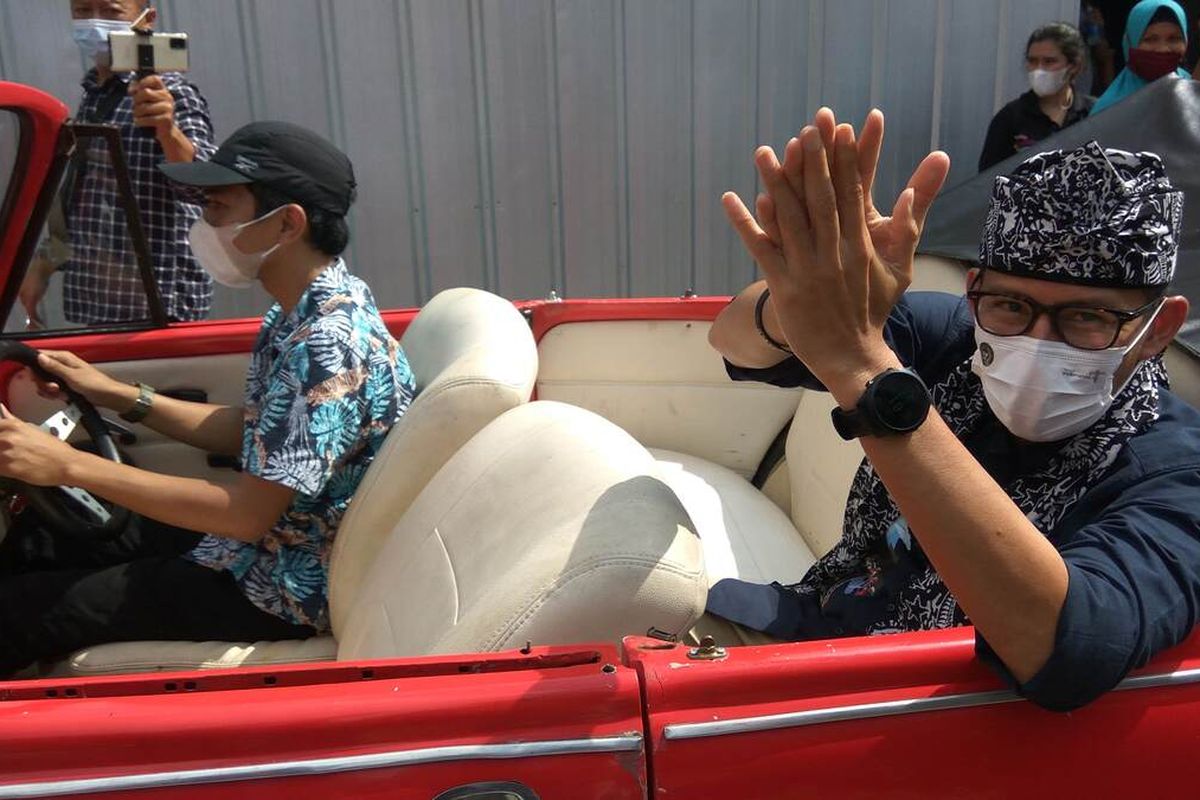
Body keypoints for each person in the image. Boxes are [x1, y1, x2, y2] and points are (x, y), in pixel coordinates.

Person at [706, 106, 1197, 712]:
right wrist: (803, 308)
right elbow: (736, 345)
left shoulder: (1176, 474)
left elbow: (1071, 649)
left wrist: (869, 376)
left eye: (1087, 318)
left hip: (908, 713)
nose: (1036, 341)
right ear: (975, 293)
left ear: (1157, 329)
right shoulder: (957, 341)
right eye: (1012, 307)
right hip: (809, 625)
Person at [0, 121, 415, 675]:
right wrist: (120, 394)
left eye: (219, 207)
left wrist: (68, 465)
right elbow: (253, 430)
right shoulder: (308, 309)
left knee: (18, 613)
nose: (205, 225)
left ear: (287, 223)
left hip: (282, 583)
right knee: (45, 540)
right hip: (264, 546)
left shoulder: (327, 346)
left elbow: (246, 514)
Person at [20, 0, 217, 328]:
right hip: (99, 299)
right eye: (83, 11)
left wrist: (168, 131)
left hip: (157, 305)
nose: (94, 24)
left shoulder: (169, 95)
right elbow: (83, 194)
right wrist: (44, 263)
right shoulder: (95, 95)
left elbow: (204, 187)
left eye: (111, 12)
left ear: (147, 20)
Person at [978, 23, 1093, 171]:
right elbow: (987, 179)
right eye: (1033, 61)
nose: (1039, 69)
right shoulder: (1010, 118)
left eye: (1049, 61)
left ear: (1074, 66)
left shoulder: (1093, 112)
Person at [1091, 0, 1190, 114]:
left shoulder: (1192, 92)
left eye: (1173, 39)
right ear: (1131, 43)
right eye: (1150, 39)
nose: (1163, 49)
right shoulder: (1108, 111)